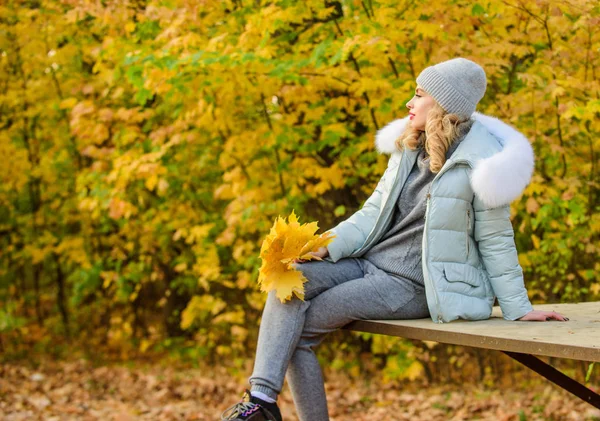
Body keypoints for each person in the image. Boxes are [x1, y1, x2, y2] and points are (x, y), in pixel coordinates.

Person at [219, 57, 568, 421]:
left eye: (419, 95)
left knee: (296, 331)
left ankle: (262, 408)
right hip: (370, 262)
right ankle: (260, 402)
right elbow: (372, 212)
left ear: (443, 104)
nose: (409, 103)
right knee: (286, 282)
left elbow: (496, 239)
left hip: (413, 284)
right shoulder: (409, 147)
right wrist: (328, 245)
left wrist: (519, 307)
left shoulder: (483, 163)